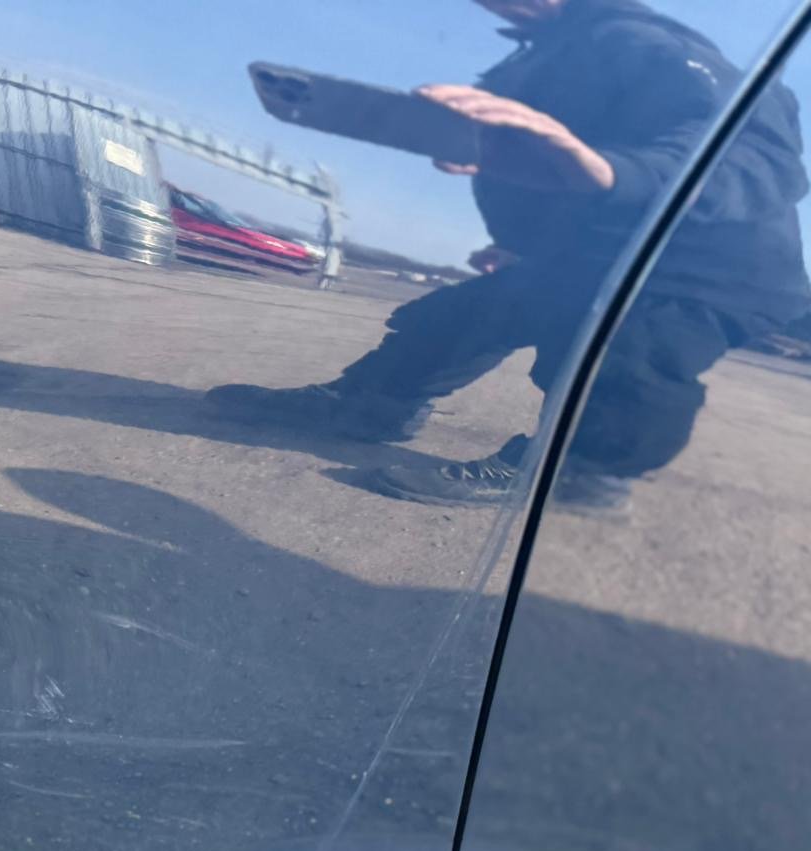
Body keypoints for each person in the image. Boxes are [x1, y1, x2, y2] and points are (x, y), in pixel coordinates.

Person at [212, 0, 811, 506]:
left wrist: (618, 170)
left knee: (628, 358)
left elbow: (748, 147)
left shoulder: (644, 40)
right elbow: (544, 170)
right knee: (465, 314)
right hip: (603, 256)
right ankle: (368, 405)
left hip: (710, 271)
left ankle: (576, 468)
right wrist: (523, 243)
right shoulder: (540, 57)